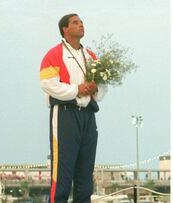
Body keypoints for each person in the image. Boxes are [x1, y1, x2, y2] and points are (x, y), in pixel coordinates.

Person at [40, 13, 107, 203]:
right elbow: (47, 83)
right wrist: (76, 89)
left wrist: (95, 89)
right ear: (65, 29)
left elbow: (103, 86)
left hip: (88, 115)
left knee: (85, 172)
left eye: (82, 22)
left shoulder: (90, 56)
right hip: (65, 115)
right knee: (62, 171)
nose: (81, 25)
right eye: (75, 22)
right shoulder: (54, 53)